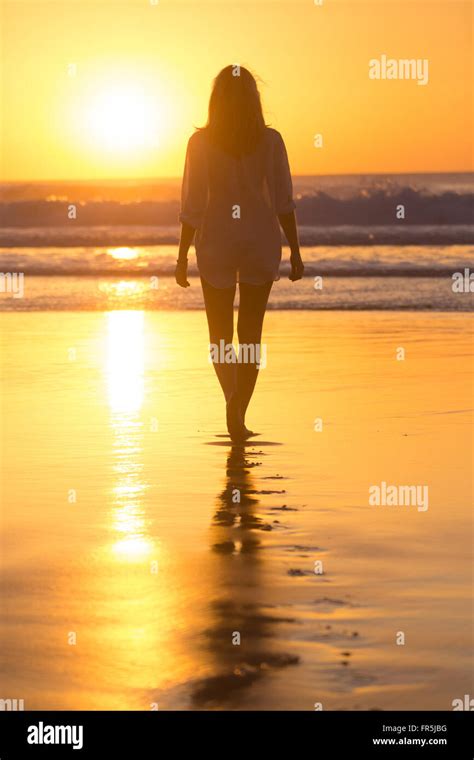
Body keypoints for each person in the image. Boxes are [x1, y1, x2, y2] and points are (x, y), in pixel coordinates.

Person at [175, 65, 304, 442]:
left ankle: (232, 399)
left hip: (216, 240)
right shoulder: (270, 140)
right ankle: (239, 408)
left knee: (220, 335)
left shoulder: (200, 143)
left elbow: (192, 205)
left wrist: (182, 255)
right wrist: (295, 251)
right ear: (254, 99)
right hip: (259, 240)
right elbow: (283, 201)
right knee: (250, 334)